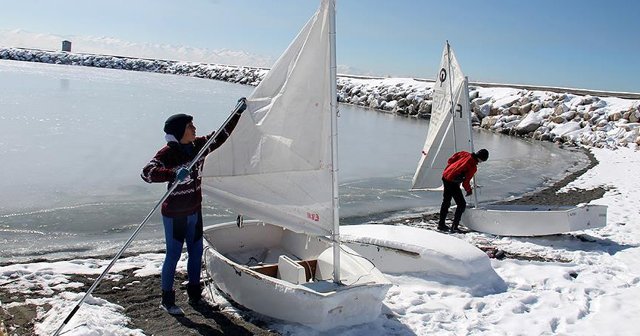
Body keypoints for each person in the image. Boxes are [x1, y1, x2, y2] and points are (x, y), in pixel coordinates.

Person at [141, 98, 246, 315]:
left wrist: (236, 113)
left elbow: (221, 136)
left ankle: (195, 294)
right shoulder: (168, 153)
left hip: (194, 210)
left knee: (197, 251)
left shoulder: (198, 146)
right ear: (179, 132)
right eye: (190, 126)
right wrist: (172, 174)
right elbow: (147, 173)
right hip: (174, 214)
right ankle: (168, 299)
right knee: (174, 255)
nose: (194, 128)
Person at [437, 148, 489, 233]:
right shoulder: (473, 167)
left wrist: (452, 169)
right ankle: (455, 227)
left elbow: (450, 160)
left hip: (445, 176)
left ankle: (441, 225)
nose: (481, 162)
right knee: (461, 204)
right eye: (482, 161)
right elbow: (466, 182)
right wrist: (469, 191)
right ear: (480, 158)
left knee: (446, 201)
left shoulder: (464, 153)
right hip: (452, 182)